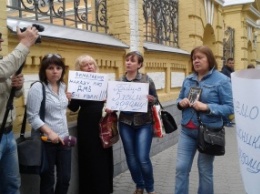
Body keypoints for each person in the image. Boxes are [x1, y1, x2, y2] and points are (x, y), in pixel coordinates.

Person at [175, 45, 234, 194]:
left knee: (204, 170)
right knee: (181, 168)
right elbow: (179, 98)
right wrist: (181, 102)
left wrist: (207, 107)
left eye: (200, 58)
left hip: (209, 132)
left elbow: (230, 107)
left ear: (209, 59)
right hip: (187, 131)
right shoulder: (188, 79)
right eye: (194, 58)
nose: (196, 61)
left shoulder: (222, 80)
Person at [67, 55, 114, 194]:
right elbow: (74, 108)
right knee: (89, 156)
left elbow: (114, 103)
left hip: (103, 124)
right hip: (86, 125)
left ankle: (104, 188)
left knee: (103, 155)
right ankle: (89, 189)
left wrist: (109, 103)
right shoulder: (77, 84)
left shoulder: (103, 82)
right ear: (80, 69)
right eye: (85, 65)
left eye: (91, 64)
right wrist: (69, 98)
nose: (89, 67)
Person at [0, 27, 39, 194]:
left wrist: (17, 86)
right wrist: (25, 42)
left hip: (8, 134)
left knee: (13, 184)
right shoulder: (4, 66)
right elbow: (4, 70)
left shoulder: (4, 63)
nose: (2, 41)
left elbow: (14, 94)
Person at [27, 54, 71, 194]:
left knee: (65, 178)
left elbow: (60, 110)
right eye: (50, 68)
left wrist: (68, 100)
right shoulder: (38, 88)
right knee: (48, 180)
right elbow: (32, 116)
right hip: (47, 140)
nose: (55, 71)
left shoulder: (63, 86)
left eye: (58, 68)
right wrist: (49, 132)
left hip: (64, 139)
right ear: (44, 71)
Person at [116, 51, 157, 194]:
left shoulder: (147, 80)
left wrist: (151, 100)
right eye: (127, 60)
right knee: (131, 158)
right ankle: (139, 186)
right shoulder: (119, 80)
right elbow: (115, 102)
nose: (128, 63)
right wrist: (110, 106)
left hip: (144, 123)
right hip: (125, 123)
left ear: (139, 65)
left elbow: (156, 101)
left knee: (143, 158)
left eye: (132, 61)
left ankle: (150, 188)